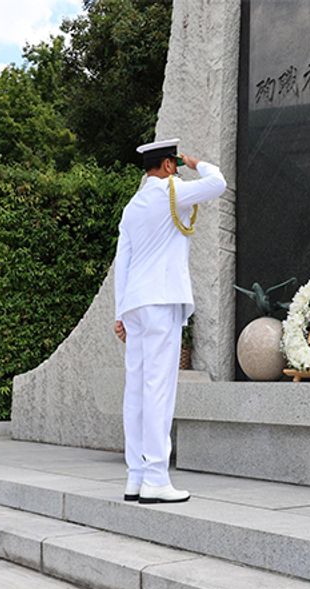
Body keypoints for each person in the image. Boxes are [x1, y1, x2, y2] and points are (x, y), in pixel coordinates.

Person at [113, 138, 226, 503]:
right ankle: (156, 479)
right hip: (161, 302)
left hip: (136, 304)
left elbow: (123, 262)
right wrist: (196, 163)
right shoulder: (171, 192)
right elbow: (218, 183)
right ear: (166, 165)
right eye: (174, 164)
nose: (177, 169)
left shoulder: (132, 206)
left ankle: (135, 477)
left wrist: (120, 313)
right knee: (158, 389)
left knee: (136, 391)